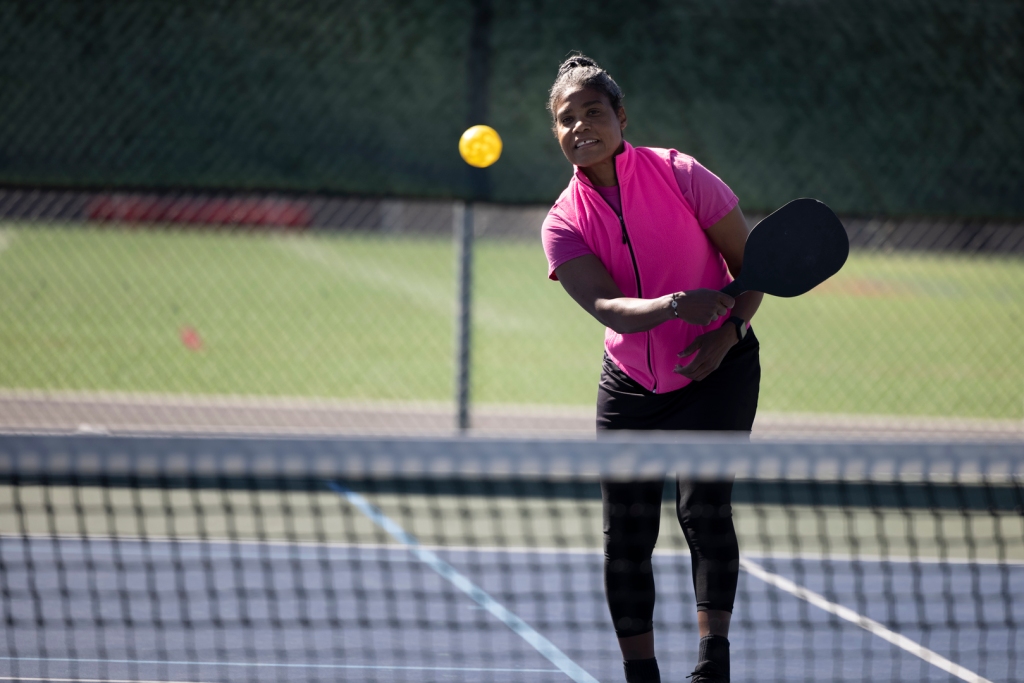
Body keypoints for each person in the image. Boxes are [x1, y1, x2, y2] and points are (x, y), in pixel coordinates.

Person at [541, 54, 763, 683]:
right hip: (632, 384)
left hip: (719, 368)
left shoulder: (680, 173)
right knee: (626, 535)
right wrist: (672, 305)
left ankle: (711, 664)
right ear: (555, 133)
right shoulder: (562, 222)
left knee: (705, 511)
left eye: (593, 112)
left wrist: (727, 336)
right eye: (566, 119)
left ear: (621, 118)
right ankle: (641, 674)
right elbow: (606, 305)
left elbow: (752, 270)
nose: (581, 127)